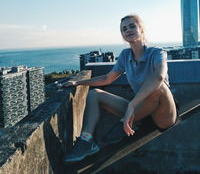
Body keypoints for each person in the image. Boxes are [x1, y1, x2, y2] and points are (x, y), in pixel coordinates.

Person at [63, 14, 178, 163]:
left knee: (159, 87)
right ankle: (86, 141)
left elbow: (159, 77)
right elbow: (107, 79)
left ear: (141, 29)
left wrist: (131, 105)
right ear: (122, 35)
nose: (128, 30)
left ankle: (125, 121)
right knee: (94, 94)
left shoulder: (157, 53)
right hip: (139, 111)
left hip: (162, 114)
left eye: (132, 26)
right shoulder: (125, 55)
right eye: (124, 29)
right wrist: (77, 83)